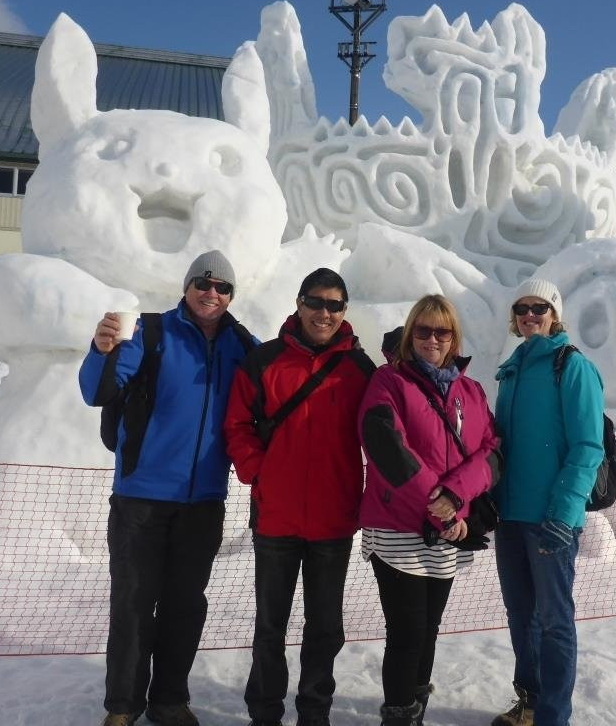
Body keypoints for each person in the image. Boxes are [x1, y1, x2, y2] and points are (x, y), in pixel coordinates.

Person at [79, 250, 256, 726]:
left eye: (222, 287)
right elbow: (96, 391)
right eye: (202, 282)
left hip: (203, 502)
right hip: (141, 498)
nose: (211, 292)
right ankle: (123, 706)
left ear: (231, 295)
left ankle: (169, 700)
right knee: (133, 604)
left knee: (185, 606)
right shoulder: (151, 333)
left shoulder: (244, 346)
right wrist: (101, 349)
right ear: (187, 286)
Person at [224, 267, 376, 726]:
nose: (323, 313)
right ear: (299, 303)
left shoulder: (360, 370)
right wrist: (260, 473)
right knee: (270, 626)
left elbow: (386, 432)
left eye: (334, 305)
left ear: (344, 311)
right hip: (276, 517)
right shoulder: (264, 361)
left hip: (333, 519)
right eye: (315, 302)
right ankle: (265, 712)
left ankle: (315, 712)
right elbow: (237, 425)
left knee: (325, 627)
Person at [359, 295, 502, 726]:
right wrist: (441, 508)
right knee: (407, 632)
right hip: (400, 528)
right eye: (422, 330)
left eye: (442, 331)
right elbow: (387, 447)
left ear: (454, 338)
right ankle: (399, 715)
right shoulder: (388, 381)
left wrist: (456, 497)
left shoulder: (471, 391)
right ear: (409, 334)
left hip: (448, 529)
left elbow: (492, 451)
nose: (432, 339)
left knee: (428, 630)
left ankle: (415, 709)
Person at [489, 278, 605, 726]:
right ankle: (531, 703)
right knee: (521, 616)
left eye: (539, 308)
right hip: (510, 515)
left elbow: (587, 446)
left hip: (551, 518)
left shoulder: (570, 366)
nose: (530, 315)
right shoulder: (511, 370)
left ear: (555, 314)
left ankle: (553, 717)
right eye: (522, 308)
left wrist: (564, 511)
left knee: (555, 620)